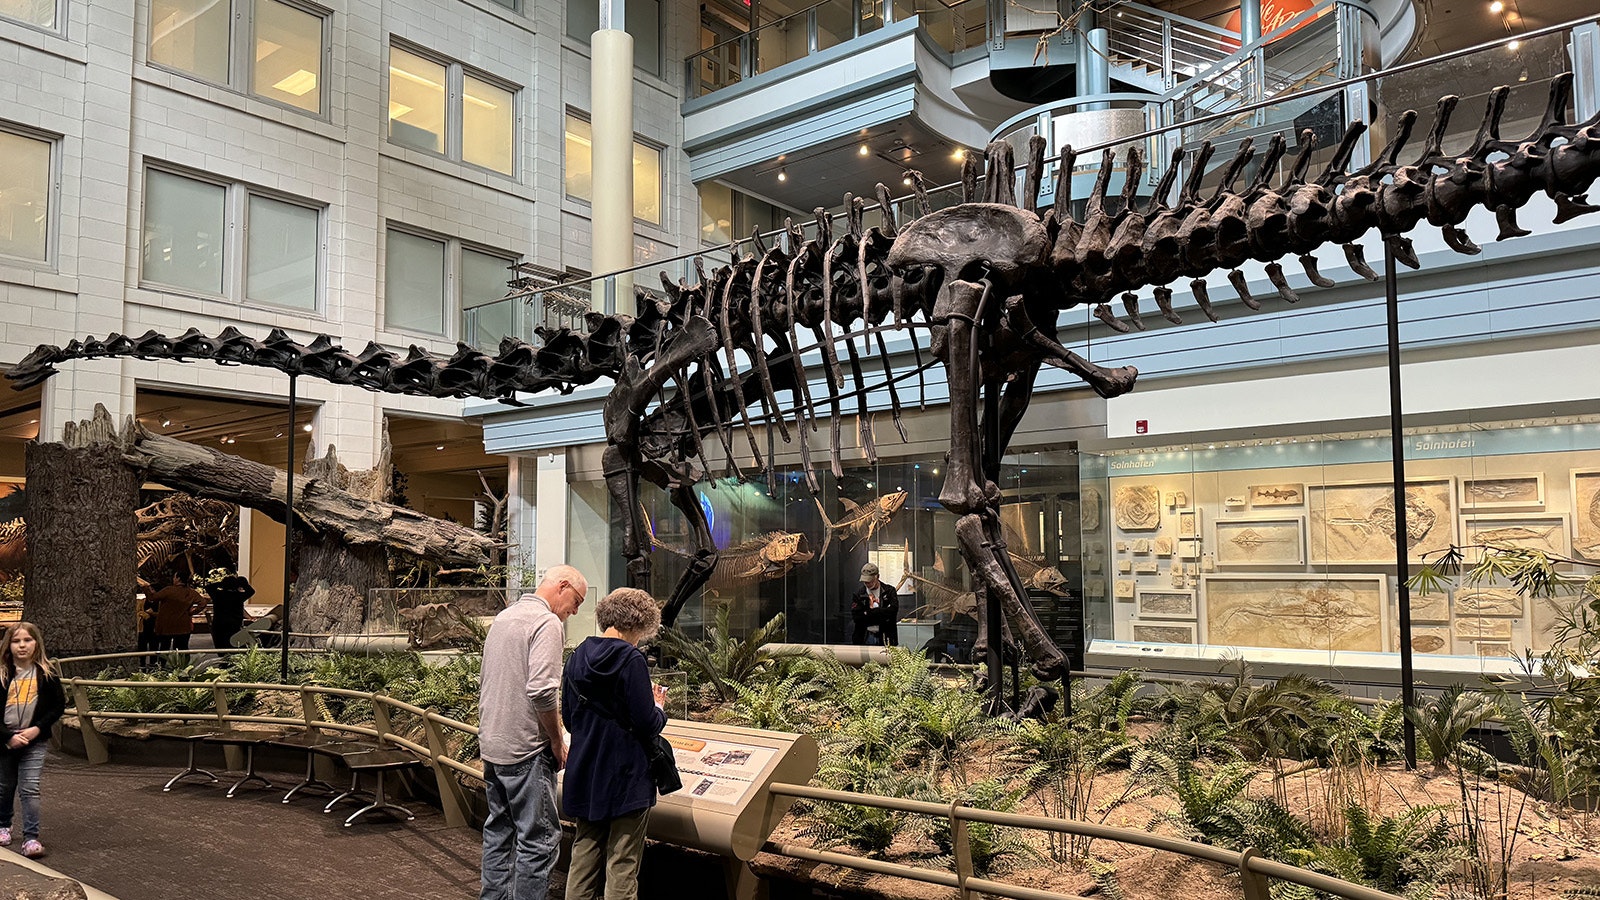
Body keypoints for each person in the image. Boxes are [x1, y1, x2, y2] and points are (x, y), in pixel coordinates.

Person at [478, 564, 588, 900]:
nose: (575, 610)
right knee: (538, 842)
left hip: (493, 743)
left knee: (499, 832)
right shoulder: (546, 622)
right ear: (562, 585)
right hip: (525, 750)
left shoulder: (505, 617)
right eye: (576, 601)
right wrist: (556, 740)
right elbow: (542, 690)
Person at [562, 588, 668, 900]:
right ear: (641, 623)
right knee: (622, 862)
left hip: (585, 770)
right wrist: (659, 706)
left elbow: (569, 718)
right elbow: (647, 722)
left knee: (583, 853)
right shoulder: (630, 659)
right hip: (626, 776)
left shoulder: (577, 655)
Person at [0, 622, 65, 859]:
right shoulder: (2, 674)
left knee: (30, 788)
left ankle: (31, 837)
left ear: (36, 643)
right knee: (5, 787)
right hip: (6, 741)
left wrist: (38, 728)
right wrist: (8, 736)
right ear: (8, 646)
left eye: (27, 640)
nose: (22, 645)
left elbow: (58, 706)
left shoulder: (46, 674)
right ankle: (3, 824)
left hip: (34, 739)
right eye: (16, 641)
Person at [150, 573, 205, 652]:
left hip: (167, 624)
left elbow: (153, 598)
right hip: (183, 624)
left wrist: (145, 588)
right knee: (182, 648)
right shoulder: (191, 592)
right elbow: (203, 603)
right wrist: (191, 612)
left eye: (174, 577)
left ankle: (162, 664)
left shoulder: (168, 590)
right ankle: (183, 664)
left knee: (164, 647)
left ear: (178, 579)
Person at [850, 562, 898, 646]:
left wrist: (868, 613)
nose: (867, 584)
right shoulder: (859, 594)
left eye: (870, 581)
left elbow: (893, 611)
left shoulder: (889, 591)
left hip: (886, 636)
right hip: (865, 637)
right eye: (865, 581)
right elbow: (857, 617)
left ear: (877, 577)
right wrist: (881, 613)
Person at [207, 573, 255, 650]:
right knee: (233, 645)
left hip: (219, 624)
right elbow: (251, 591)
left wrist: (222, 584)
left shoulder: (218, 595)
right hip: (234, 625)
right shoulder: (238, 596)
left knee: (221, 647)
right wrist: (242, 583)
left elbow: (209, 587)